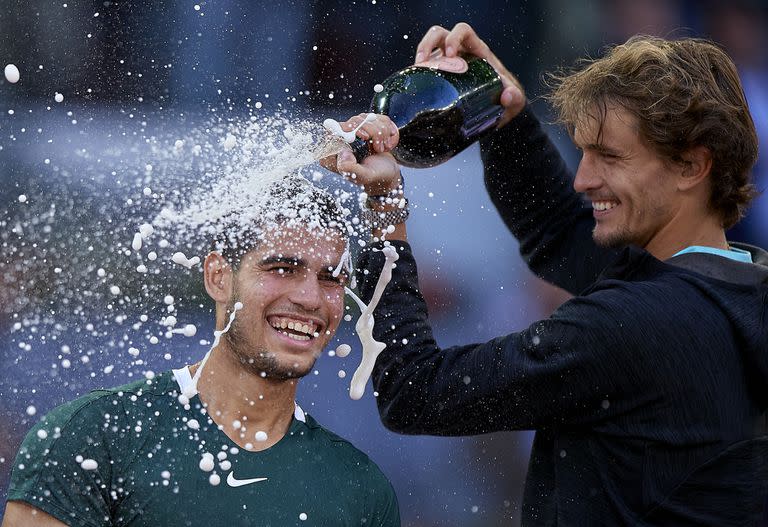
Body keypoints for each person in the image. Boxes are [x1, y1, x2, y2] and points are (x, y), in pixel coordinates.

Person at [330, 23, 768, 525]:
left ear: (692, 166)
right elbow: (561, 234)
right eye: (583, 152)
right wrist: (501, 110)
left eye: (610, 157)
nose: (583, 178)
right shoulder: (737, 286)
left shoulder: (633, 325)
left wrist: (386, 217)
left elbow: (416, 392)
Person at [2, 177, 400, 526]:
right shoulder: (96, 436)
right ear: (218, 276)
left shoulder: (359, 489)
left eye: (331, 278)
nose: (311, 298)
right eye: (282, 268)